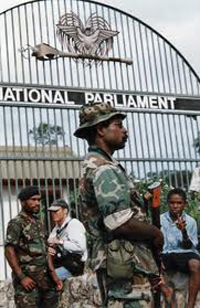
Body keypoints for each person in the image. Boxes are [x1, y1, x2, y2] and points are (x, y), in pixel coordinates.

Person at [74, 102, 168, 308]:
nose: (125, 130)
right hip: (124, 265)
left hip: (125, 262)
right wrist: (155, 233)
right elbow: (120, 223)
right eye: (118, 124)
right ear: (100, 129)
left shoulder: (103, 164)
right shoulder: (103, 168)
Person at [4, 185, 61, 308]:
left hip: (46, 282)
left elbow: (46, 251)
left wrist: (54, 275)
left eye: (39, 200)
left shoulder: (39, 223)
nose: (37, 203)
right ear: (23, 202)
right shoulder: (16, 223)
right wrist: (21, 277)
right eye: (33, 200)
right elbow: (9, 251)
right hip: (28, 284)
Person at [161, 188, 200, 308]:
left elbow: (188, 246)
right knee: (154, 268)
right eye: (172, 203)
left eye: (179, 203)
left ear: (185, 204)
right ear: (167, 203)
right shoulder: (161, 219)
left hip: (184, 253)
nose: (175, 206)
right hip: (166, 253)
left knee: (195, 264)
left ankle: (190, 304)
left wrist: (183, 231)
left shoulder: (190, 221)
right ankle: (171, 303)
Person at [47, 198, 87, 281]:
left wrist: (60, 242)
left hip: (73, 266)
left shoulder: (74, 224)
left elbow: (80, 247)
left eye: (56, 211)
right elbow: (50, 241)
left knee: (48, 279)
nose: (53, 214)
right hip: (61, 263)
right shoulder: (56, 228)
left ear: (65, 211)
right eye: (52, 212)